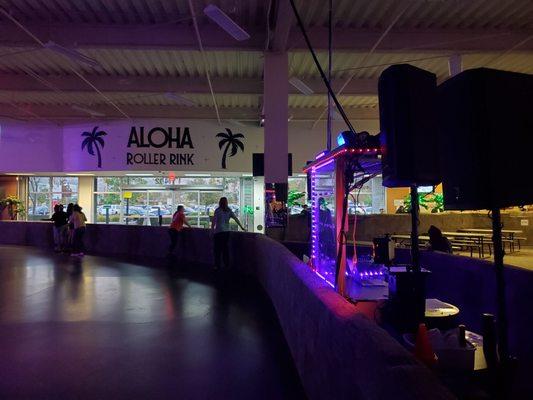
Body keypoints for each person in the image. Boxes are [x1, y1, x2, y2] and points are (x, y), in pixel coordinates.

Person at [211, 197, 246, 270]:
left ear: (220, 202)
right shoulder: (229, 211)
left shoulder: (217, 210)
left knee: (217, 250)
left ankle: (217, 265)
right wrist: (242, 227)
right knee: (225, 249)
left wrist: (212, 231)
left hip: (218, 232)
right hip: (226, 232)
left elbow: (214, 221)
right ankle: (226, 265)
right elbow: (236, 219)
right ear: (226, 202)